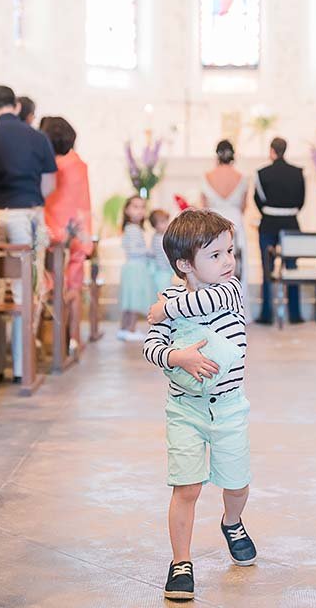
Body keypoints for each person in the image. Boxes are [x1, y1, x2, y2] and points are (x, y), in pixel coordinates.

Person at [143, 209, 255, 601]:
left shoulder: (230, 290)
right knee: (186, 487)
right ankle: (181, 563)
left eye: (230, 251)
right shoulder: (172, 298)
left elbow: (199, 304)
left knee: (236, 483)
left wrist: (164, 310)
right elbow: (151, 347)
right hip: (185, 409)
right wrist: (177, 358)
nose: (228, 261)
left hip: (227, 408)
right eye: (216, 255)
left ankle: (233, 521)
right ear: (185, 265)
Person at [0, 84, 57, 376]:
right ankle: (23, 367)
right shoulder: (37, 137)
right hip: (25, 215)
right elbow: (49, 184)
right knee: (25, 289)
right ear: (16, 106)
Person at [40, 115, 94, 348]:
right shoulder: (79, 164)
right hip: (78, 229)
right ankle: (73, 338)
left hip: (54, 230)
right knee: (74, 283)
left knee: (51, 282)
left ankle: (46, 339)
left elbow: (49, 198)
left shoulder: (53, 166)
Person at [254, 137, 305, 325]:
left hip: (268, 223)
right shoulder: (298, 173)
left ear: (271, 151)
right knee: (292, 268)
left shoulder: (262, 173)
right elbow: (301, 201)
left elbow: (258, 200)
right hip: (291, 223)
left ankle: (266, 314)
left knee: (267, 269)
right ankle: (295, 314)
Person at [201, 140, 250, 320]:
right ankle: (237, 309)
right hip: (235, 223)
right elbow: (244, 206)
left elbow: (204, 206)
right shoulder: (242, 177)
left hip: (212, 224)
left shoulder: (207, 176)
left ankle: (213, 309)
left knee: (211, 263)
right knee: (236, 265)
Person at [117, 195, 154, 341]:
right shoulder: (132, 229)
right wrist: (149, 252)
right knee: (134, 299)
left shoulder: (132, 228)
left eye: (142, 207)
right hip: (135, 267)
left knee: (130, 300)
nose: (139, 211)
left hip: (134, 266)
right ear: (127, 210)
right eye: (135, 207)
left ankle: (123, 328)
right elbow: (133, 250)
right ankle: (130, 329)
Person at [149, 209, 174, 292]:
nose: (166, 224)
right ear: (155, 225)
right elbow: (166, 255)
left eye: (166, 221)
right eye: (162, 222)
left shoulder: (156, 236)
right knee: (164, 292)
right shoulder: (160, 239)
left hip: (161, 270)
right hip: (163, 271)